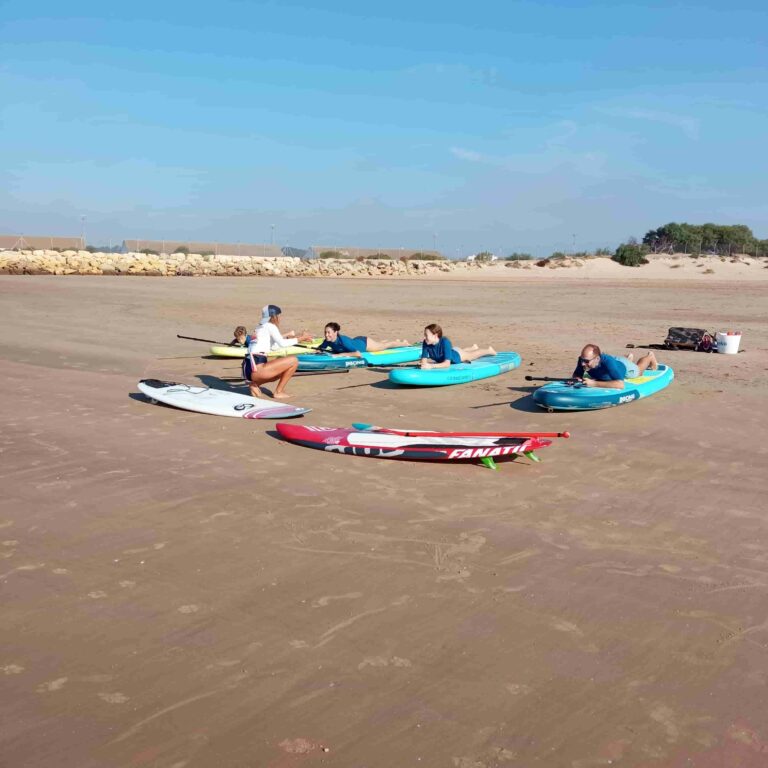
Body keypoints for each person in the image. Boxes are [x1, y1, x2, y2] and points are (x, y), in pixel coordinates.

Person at [242, 305, 310, 399]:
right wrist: (301, 338)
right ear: (274, 316)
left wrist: (297, 339)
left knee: (281, 369)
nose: (280, 318)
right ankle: (278, 392)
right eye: (279, 315)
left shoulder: (259, 327)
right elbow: (281, 343)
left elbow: (274, 346)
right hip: (257, 368)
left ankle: (255, 384)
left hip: (247, 368)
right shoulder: (270, 326)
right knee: (293, 361)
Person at [572, 344, 658, 389]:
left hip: (624, 367)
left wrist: (594, 383)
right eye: (582, 360)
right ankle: (628, 358)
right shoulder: (583, 360)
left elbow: (620, 385)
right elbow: (577, 375)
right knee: (614, 366)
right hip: (614, 363)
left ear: (597, 359)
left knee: (638, 371)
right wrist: (575, 379)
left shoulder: (609, 363)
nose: (583, 363)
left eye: (586, 361)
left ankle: (650, 357)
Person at [419, 324, 496, 369]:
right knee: (456, 351)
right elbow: (423, 361)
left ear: (435, 335)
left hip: (457, 356)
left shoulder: (445, 342)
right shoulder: (426, 343)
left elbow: (447, 364)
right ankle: (472, 347)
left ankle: (489, 350)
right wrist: (424, 364)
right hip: (451, 351)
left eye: (426, 335)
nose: (424, 337)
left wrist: (431, 366)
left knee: (473, 355)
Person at [314, 322, 410, 357]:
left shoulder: (343, 341)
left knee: (384, 346)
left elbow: (358, 354)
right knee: (379, 344)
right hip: (356, 340)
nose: (326, 335)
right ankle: (383, 341)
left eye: (328, 332)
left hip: (365, 344)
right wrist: (317, 350)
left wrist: (340, 355)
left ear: (335, 332)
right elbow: (321, 348)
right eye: (325, 332)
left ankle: (403, 343)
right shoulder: (327, 340)